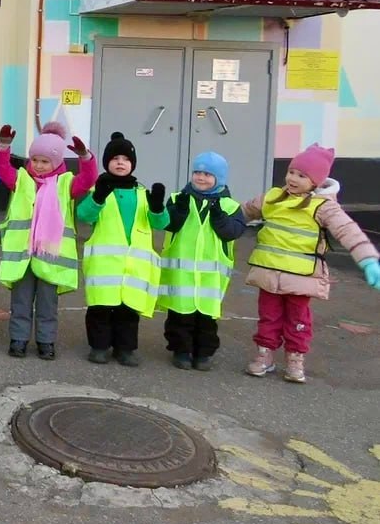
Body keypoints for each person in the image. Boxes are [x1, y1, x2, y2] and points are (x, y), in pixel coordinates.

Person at [241, 144, 380, 383]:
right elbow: (241, 212)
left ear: (316, 181)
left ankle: (295, 358)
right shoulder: (272, 197)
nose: (293, 178)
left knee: (298, 320)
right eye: (292, 172)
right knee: (268, 317)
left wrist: (368, 259)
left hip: (301, 277)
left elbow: (348, 230)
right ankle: (265, 354)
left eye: (302, 175)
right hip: (269, 272)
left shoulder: (323, 206)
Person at [0, 122, 97, 360]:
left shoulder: (66, 184)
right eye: (35, 160)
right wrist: (3, 146)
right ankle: (18, 340)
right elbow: (1, 166)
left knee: (47, 305)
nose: (39, 166)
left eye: (45, 161)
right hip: (23, 256)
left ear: (57, 162)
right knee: (20, 301)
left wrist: (85, 156)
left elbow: (89, 178)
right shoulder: (20, 180)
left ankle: (45, 341)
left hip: (51, 256)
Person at [77, 132, 168, 367]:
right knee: (100, 310)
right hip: (105, 268)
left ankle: (125, 348)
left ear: (132, 164)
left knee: (128, 312)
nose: (120, 162)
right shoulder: (100, 190)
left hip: (134, 269)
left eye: (125, 159)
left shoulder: (142, 194)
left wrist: (158, 206)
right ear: (107, 162)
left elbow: (160, 224)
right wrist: (98, 196)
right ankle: (99, 346)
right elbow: (84, 215)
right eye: (115, 158)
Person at [158, 151, 247, 370]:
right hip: (181, 274)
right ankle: (181, 351)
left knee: (206, 319)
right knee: (179, 316)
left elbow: (232, 232)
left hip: (210, 278)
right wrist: (178, 210)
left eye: (208, 174)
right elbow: (169, 224)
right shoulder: (178, 198)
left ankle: (203, 354)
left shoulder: (230, 206)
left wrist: (218, 216)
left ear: (220, 178)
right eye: (197, 172)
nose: (201, 177)